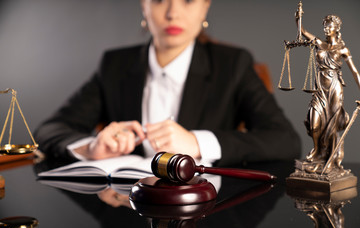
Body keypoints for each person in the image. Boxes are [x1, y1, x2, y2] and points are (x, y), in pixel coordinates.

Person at [34, 0, 301, 167]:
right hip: (129, 212)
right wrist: (91, 147)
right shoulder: (115, 65)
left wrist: (196, 143)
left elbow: (286, 141)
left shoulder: (233, 64)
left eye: (187, 0)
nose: (172, 12)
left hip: (209, 215)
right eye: (160, 0)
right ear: (144, 5)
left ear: (205, 6)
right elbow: (50, 130)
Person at [296, 12, 360, 171]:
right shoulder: (319, 43)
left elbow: (355, 72)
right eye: (325, 26)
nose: (326, 29)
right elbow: (302, 32)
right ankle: (318, 151)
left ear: (337, 28)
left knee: (332, 126)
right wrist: (298, 19)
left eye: (329, 26)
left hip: (334, 89)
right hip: (319, 89)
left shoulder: (343, 49)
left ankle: (331, 159)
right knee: (314, 122)